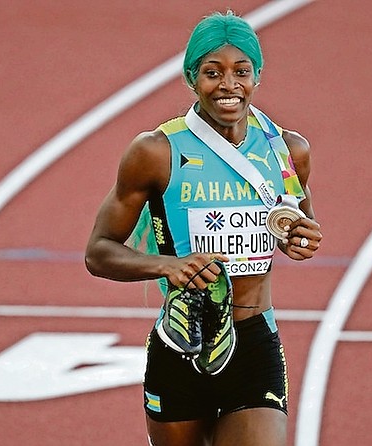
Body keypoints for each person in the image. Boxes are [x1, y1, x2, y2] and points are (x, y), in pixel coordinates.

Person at [85, 11, 322, 446]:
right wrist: (167, 266)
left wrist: (299, 239)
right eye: (213, 73)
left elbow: (298, 221)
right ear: (192, 79)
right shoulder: (156, 151)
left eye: (241, 72)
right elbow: (98, 251)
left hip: (252, 337)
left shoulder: (288, 150)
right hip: (183, 340)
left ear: (257, 77)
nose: (229, 85)